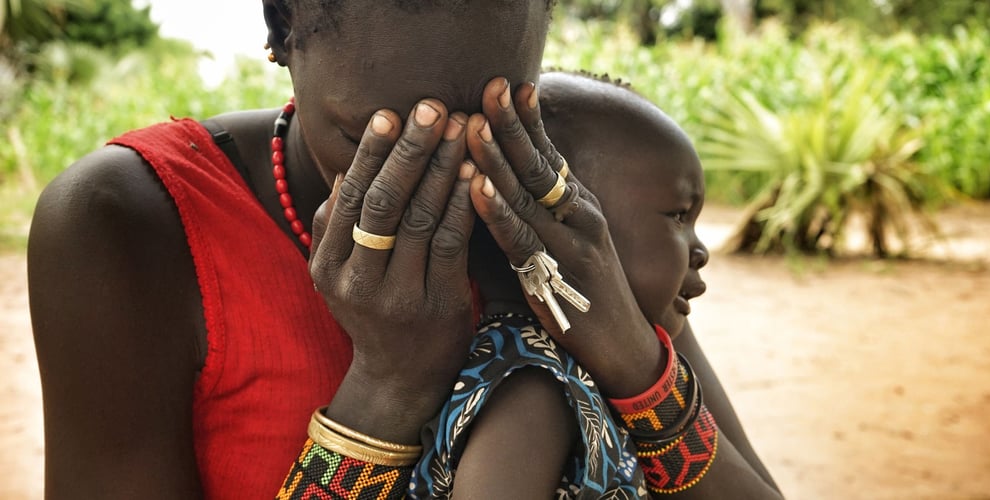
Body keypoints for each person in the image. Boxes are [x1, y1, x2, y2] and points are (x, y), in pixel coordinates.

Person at [27, 1, 774, 498]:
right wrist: (388, 385)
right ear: (283, 26)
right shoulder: (128, 226)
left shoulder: (546, 217)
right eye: (377, 137)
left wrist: (628, 353)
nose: (446, 173)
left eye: (490, 125)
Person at [403, 72, 783, 498]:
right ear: (561, 226)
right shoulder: (535, 385)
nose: (701, 251)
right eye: (678, 215)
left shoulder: (590, 359)